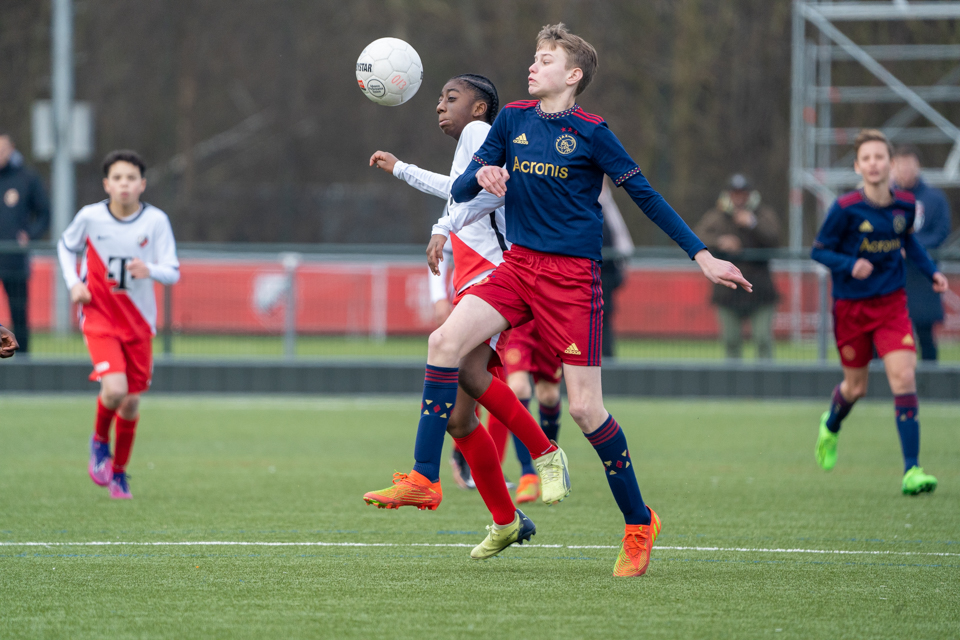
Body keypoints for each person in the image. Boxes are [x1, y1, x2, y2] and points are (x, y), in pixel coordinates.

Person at [444, 23, 749, 576]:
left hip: (572, 279)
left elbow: (645, 196)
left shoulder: (592, 133)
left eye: (544, 59)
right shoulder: (510, 118)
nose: (532, 66)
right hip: (518, 268)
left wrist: (701, 255)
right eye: (533, 58)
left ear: (573, 74)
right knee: (448, 345)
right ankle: (435, 473)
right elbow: (462, 188)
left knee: (585, 407)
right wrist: (482, 174)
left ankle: (638, 522)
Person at [363, 74, 567, 554]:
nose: (440, 105)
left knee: (443, 349)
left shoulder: (480, 133)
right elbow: (458, 189)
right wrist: (401, 169)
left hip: (494, 276)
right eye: (439, 98)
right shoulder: (472, 146)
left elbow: (486, 195)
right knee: (461, 410)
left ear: (479, 110)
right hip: (476, 280)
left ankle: (424, 476)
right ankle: (507, 517)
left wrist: (440, 226)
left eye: (451, 98)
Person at [812, 129, 948, 495]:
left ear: (890, 164)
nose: (874, 163)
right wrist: (848, 264)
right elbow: (819, 251)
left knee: (904, 378)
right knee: (856, 387)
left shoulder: (904, 205)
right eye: (866, 158)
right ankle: (832, 424)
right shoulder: (843, 209)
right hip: (851, 309)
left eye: (880, 157)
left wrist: (932, 271)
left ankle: (912, 470)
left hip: (891, 306)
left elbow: (910, 243)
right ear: (858, 166)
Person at [57, 150, 180, 499]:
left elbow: (172, 270)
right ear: (106, 184)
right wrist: (73, 284)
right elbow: (65, 247)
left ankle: (120, 473)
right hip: (99, 316)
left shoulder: (155, 221)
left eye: (131, 178)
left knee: (131, 403)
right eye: (118, 178)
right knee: (114, 389)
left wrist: (150, 270)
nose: (124, 184)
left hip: (138, 323)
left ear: (142, 184)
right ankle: (99, 442)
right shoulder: (90, 217)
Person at [695, 174, 781, 359]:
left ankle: (766, 384)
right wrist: (720, 242)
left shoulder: (762, 214)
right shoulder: (716, 216)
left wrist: (753, 224)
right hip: (728, 291)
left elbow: (775, 239)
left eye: (743, 194)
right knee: (731, 341)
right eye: (735, 194)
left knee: (762, 339)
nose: (739, 198)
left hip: (760, 290)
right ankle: (733, 386)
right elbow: (696, 238)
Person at [892, 144, 952, 362]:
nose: (905, 171)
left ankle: (931, 385)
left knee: (925, 335)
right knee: (882, 334)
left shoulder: (935, 199)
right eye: (901, 166)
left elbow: (941, 233)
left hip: (923, 279)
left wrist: (912, 247)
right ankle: (880, 384)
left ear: (918, 166)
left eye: (909, 166)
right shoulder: (884, 198)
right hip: (891, 277)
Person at [0, 131, 51, 354]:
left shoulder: (26, 178)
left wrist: (29, 235)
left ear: (11, 150)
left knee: (19, 312)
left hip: (15, 260)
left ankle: (22, 359)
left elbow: (44, 213)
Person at [502, 320, 563, 503]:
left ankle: (550, 469)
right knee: (518, 388)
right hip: (518, 323)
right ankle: (527, 474)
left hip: (548, 324)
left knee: (549, 396)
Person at [598, 177, 633, 357]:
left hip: (606, 276)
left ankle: (607, 358)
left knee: (603, 321)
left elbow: (623, 243)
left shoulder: (607, 204)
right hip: (590, 274)